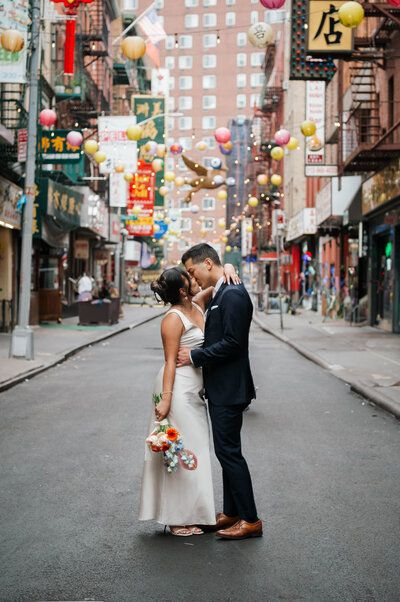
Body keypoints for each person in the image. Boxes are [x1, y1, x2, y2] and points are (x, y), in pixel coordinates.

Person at [138, 263, 239, 536]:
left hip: (196, 389)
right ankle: (175, 518)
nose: (195, 279)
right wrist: (166, 400)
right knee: (179, 452)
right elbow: (170, 362)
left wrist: (228, 266)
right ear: (183, 290)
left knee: (197, 452)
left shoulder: (197, 304)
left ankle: (195, 512)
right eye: (189, 279)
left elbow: (215, 282)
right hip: (177, 388)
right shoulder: (172, 319)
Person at [178, 243, 262, 540]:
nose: (193, 277)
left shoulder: (233, 295)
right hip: (221, 388)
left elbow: (233, 343)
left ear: (208, 264)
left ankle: (250, 519)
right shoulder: (221, 290)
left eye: (193, 271)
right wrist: (227, 268)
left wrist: (195, 357)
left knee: (229, 453)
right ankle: (232, 512)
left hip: (230, 388)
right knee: (226, 452)